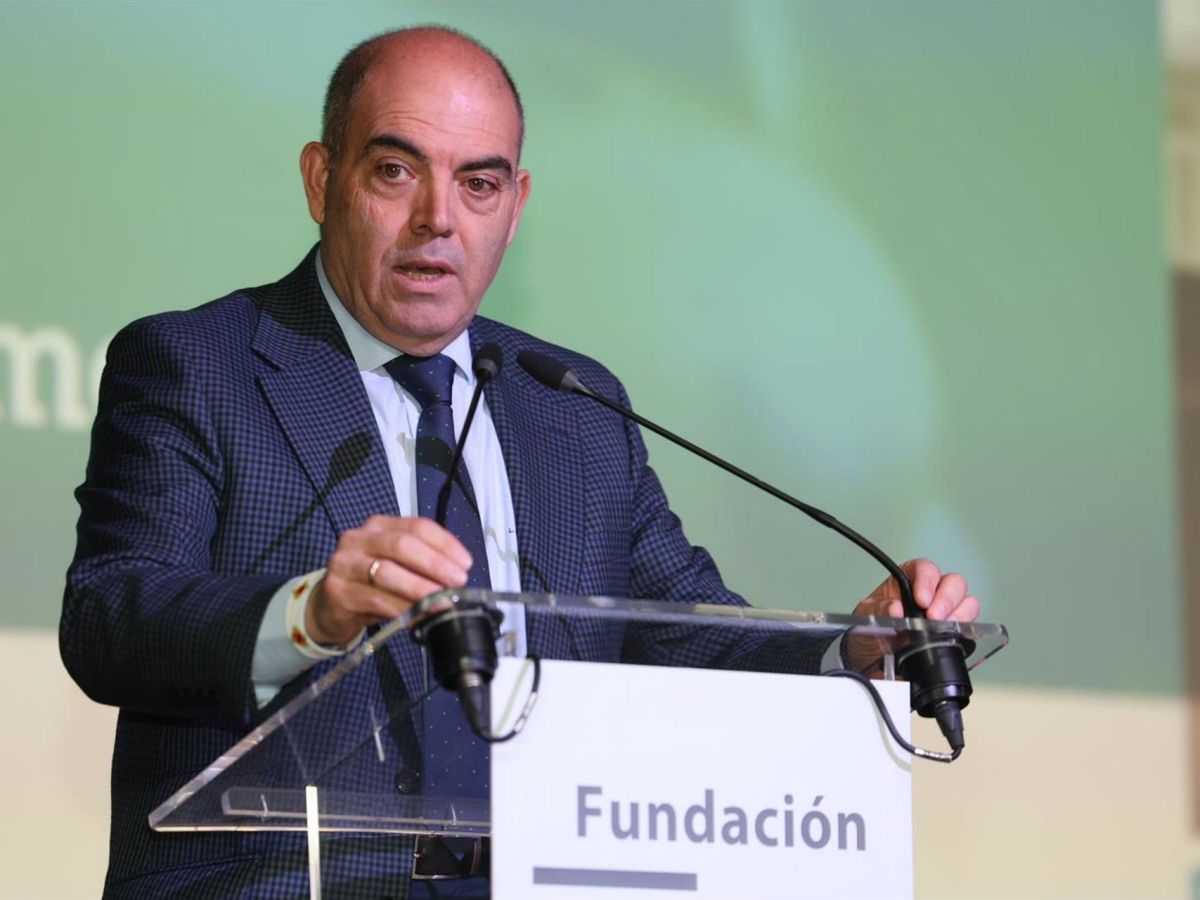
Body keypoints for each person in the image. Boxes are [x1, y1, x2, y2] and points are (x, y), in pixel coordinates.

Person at [61, 26, 979, 899]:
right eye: (395, 171)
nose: (437, 219)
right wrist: (312, 613)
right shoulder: (198, 364)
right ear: (321, 178)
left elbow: (686, 634)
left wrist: (851, 648)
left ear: (516, 206)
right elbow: (111, 616)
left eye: (479, 184)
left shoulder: (573, 405)